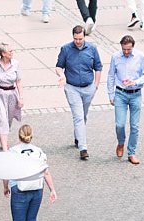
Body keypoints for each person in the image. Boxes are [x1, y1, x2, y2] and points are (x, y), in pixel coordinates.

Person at [6, 125, 57, 221]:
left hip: (19, 189)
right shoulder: (39, 151)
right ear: (31, 136)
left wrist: (6, 187)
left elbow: (7, 172)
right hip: (37, 188)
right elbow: (46, 172)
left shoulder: (13, 151)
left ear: (19, 136)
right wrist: (52, 189)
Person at [56, 27, 104, 161]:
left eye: (80, 39)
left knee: (83, 116)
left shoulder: (92, 49)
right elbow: (59, 66)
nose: (78, 41)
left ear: (84, 37)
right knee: (78, 117)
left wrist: (96, 85)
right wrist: (61, 75)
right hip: (72, 88)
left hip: (88, 88)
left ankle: (78, 137)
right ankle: (83, 148)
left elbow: (98, 67)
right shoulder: (66, 49)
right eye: (75, 39)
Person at [106, 36, 144, 165]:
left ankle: (131, 152)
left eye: (129, 49)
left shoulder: (140, 57)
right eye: (124, 49)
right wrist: (110, 94)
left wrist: (135, 82)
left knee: (135, 126)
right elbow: (111, 75)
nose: (126, 52)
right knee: (119, 124)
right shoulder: (115, 57)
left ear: (133, 47)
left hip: (136, 94)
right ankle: (121, 142)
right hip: (120, 93)